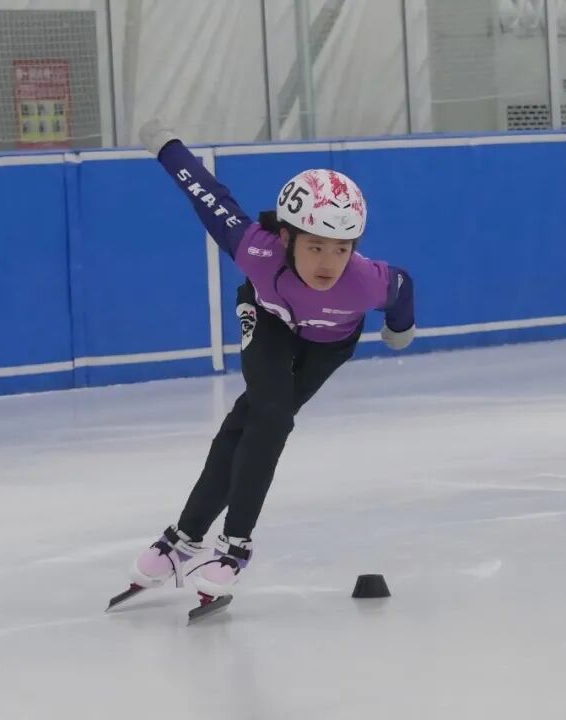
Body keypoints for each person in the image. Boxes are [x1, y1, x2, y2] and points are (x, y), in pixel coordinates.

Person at [123, 120, 415, 605]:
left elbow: (404, 288)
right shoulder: (253, 248)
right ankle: (233, 547)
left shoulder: (366, 281)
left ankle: (183, 539)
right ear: (287, 239)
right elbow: (206, 194)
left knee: (250, 420)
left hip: (329, 343)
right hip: (269, 318)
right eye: (315, 246)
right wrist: (168, 146)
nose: (328, 262)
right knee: (272, 412)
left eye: (341, 249)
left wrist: (399, 330)